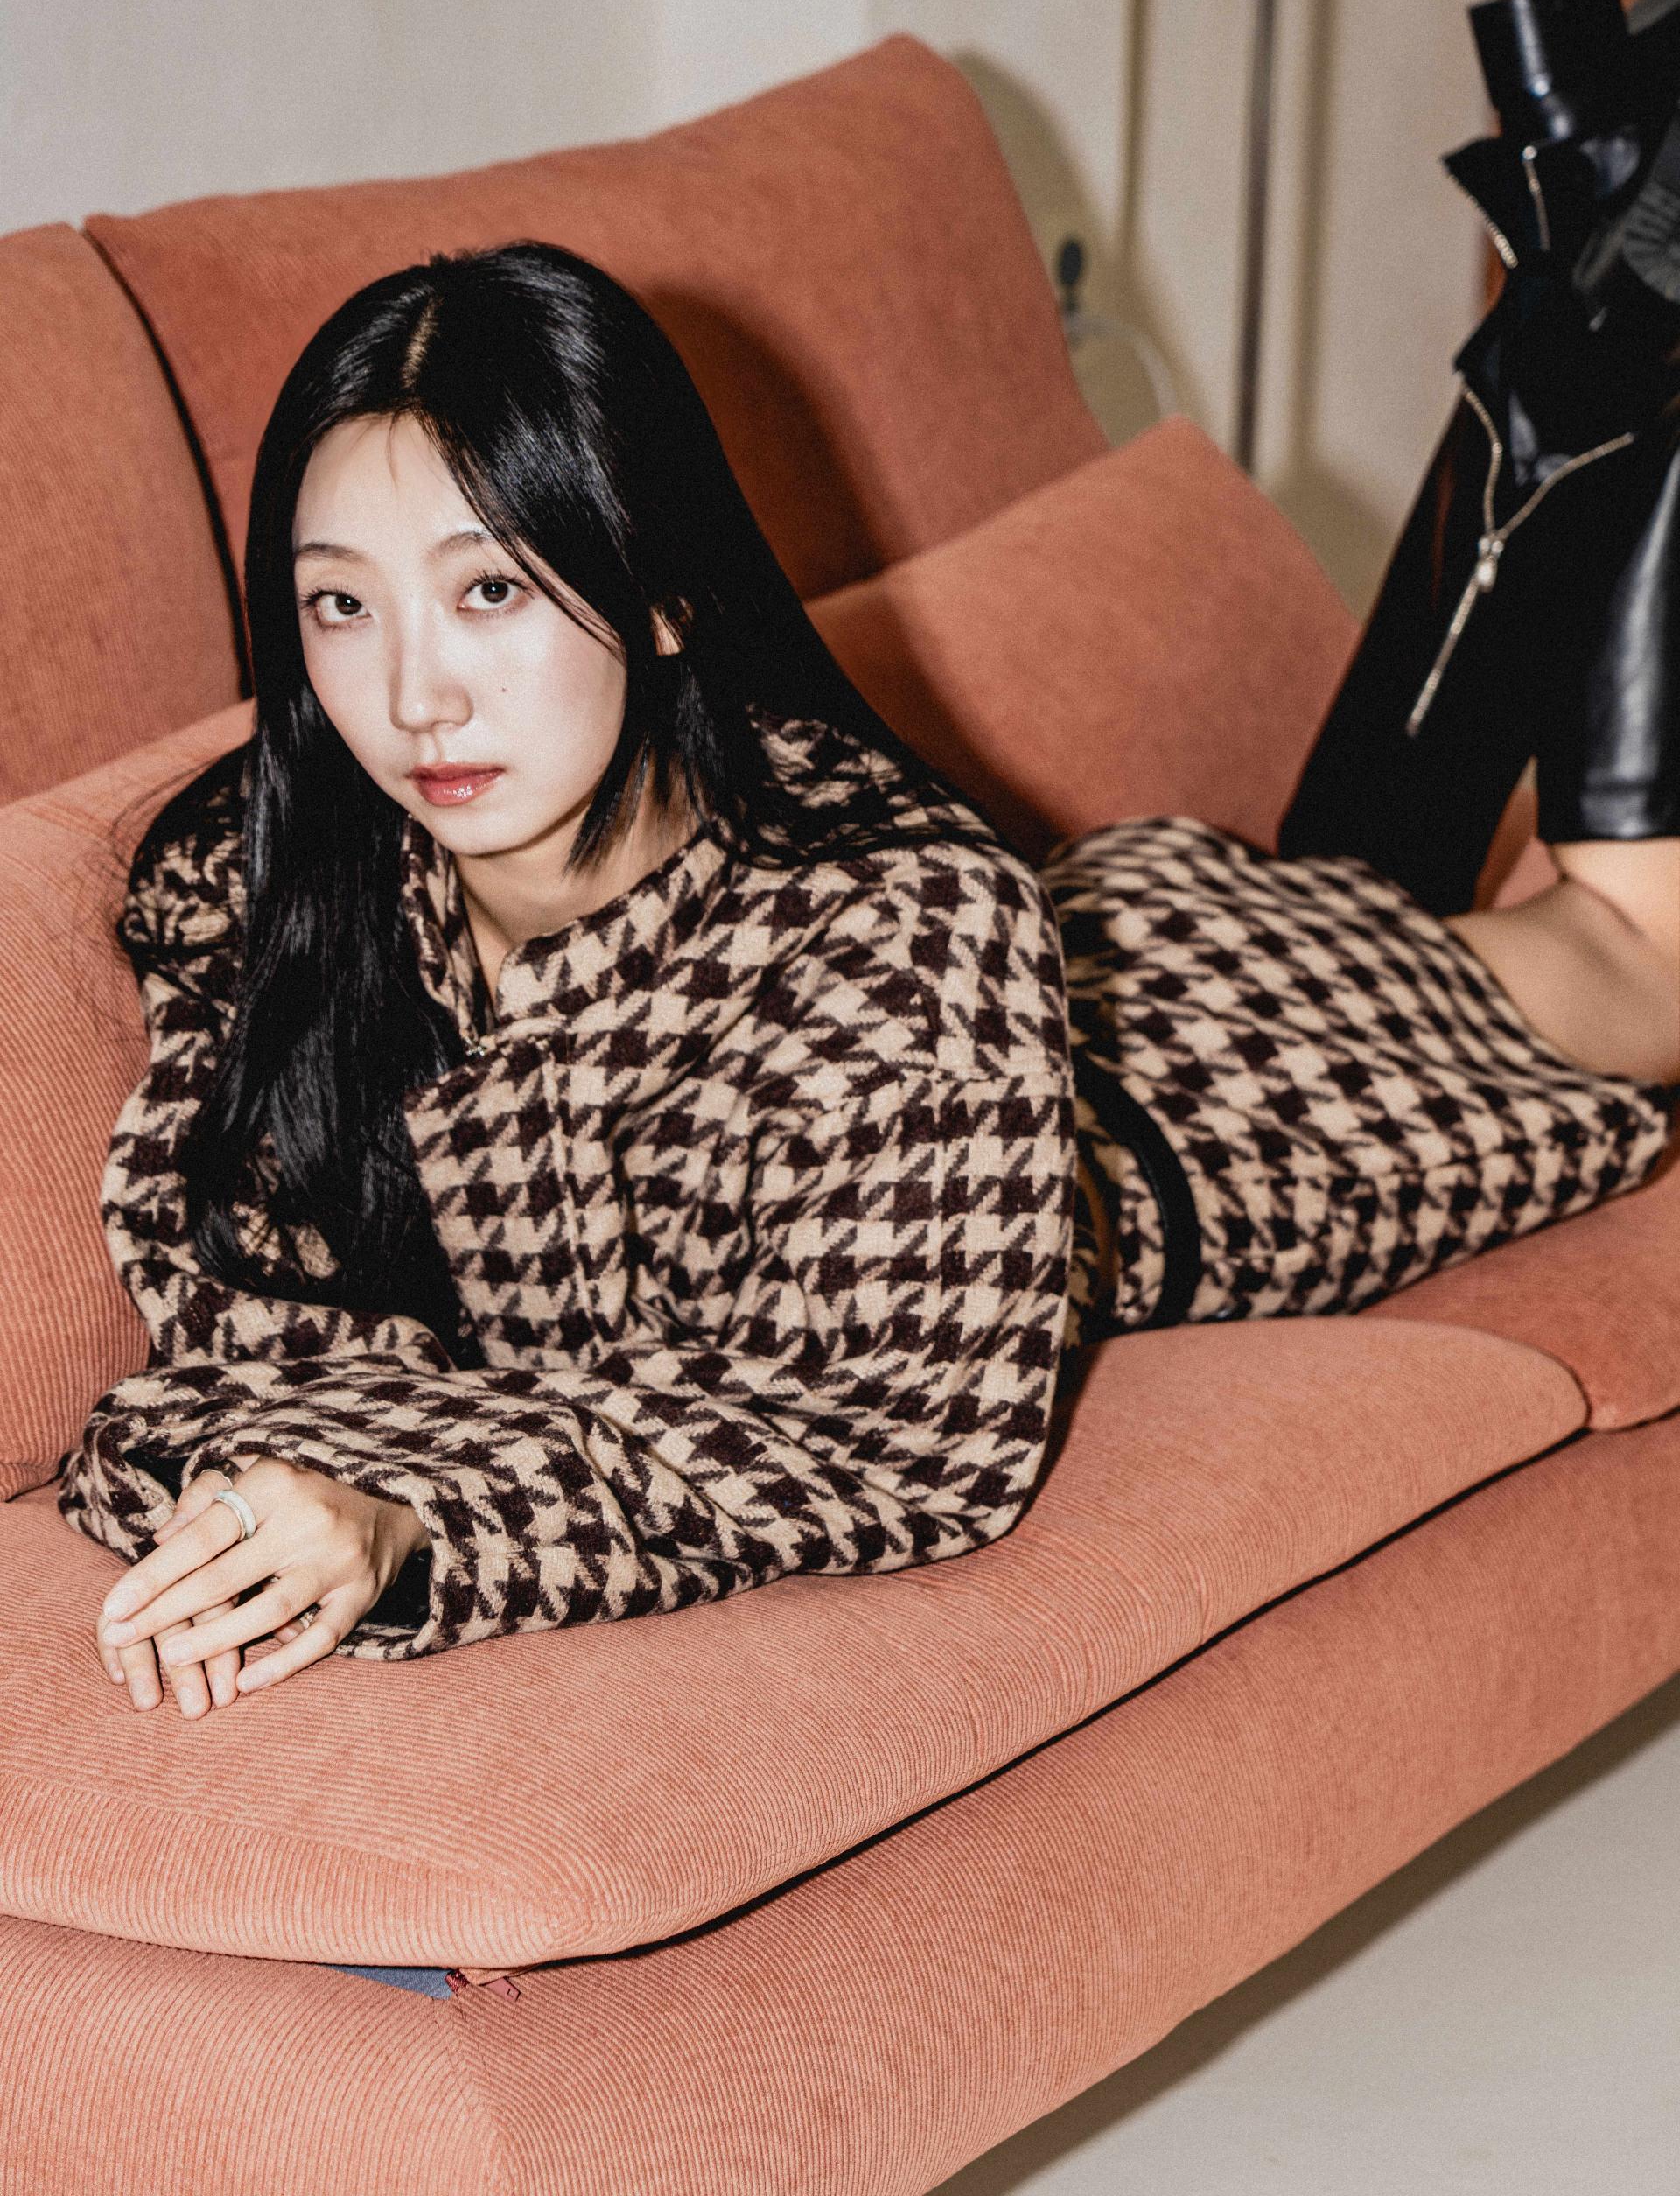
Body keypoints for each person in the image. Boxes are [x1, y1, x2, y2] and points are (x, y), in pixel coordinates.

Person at [62, 240, 1678, 1726]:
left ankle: (1625, 367)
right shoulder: (260, 882)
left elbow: (888, 1436)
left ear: (665, 590)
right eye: (341, 604)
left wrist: (423, 1500)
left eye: (491, 589)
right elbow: (233, 1354)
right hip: (1039, 964)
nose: (415, 695)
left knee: (1629, 954)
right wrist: (329, 1480)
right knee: (1388, 871)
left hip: (1192, 1105)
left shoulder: (904, 926)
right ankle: (1565, 350)